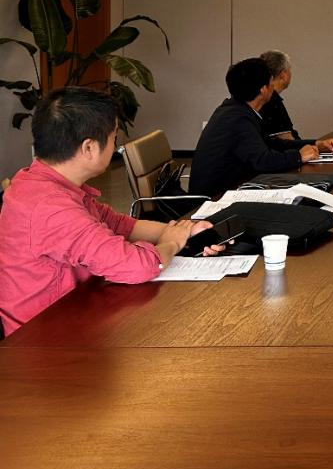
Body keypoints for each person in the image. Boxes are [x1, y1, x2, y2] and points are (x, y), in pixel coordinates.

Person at [0, 87, 223, 336]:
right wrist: (170, 244)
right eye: (114, 138)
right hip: (41, 340)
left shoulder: (45, 182)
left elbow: (118, 224)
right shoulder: (50, 207)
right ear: (89, 148)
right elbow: (136, 266)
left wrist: (185, 232)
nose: (115, 146)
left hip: (75, 313)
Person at [189, 58, 333, 198]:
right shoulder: (238, 119)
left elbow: (270, 143)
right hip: (214, 198)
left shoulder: (237, 110)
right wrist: (298, 156)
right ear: (263, 89)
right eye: (271, 81)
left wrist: (315, 144)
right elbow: (263, 161)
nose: (273, 86)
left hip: (231, 187)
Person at [259, 50, 333, 152]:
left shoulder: (266, 99)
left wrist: (316, 144)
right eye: (289, 69)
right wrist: (315, 147)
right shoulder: (272, 102)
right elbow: (287, 142)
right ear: (283, 75)